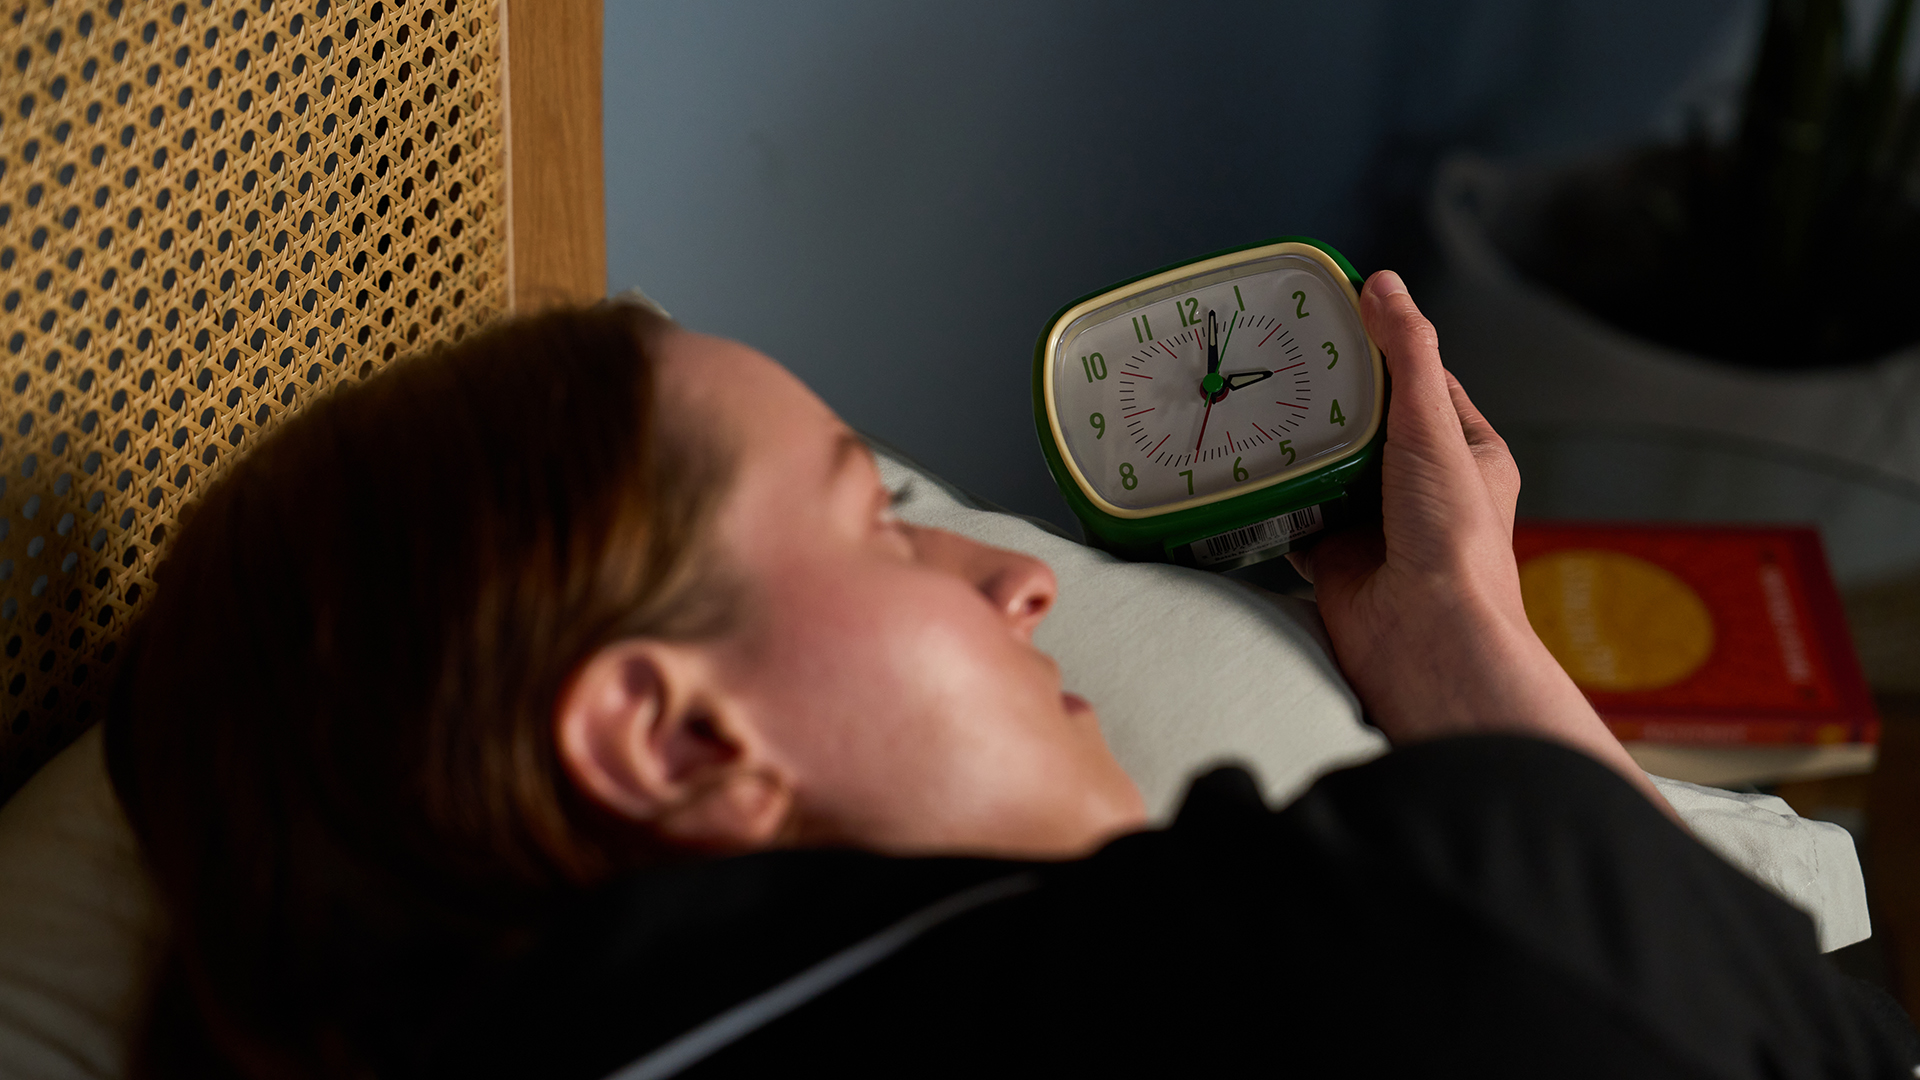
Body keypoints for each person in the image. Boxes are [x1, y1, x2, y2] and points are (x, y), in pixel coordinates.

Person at [104, 273, 1916, 1079]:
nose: (1017, 579)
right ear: (668, 733)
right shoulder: (1426, 920)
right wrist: (1484, 672)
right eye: (880, 528)